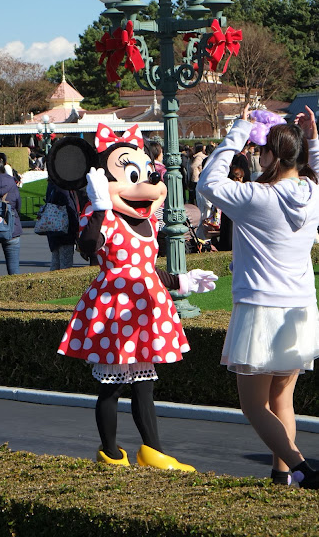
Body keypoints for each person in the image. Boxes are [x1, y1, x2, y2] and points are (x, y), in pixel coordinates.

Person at [54, 123, 217, 469]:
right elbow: (87, 247)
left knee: (144, 384)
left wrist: (182, 281)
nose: (146, 185)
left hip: (146, 309)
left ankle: (152, 451)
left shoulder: (149, 222)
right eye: (131, 176)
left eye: (146, 174)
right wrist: (100, 207)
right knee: (112, 386)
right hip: (115, 310)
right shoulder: (103, 217)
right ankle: (111, 454)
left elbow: (147, 268)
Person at [198, 104, 319, 488]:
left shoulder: (256, 197)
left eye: (260, 150)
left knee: (254, 405)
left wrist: (239, 129)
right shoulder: (312, 192)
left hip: (261, 308)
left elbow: (208, 182)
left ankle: (301, 468)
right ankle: (283, 476)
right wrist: (312, 139)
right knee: (282, 400)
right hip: (301, 308)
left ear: (271, 156)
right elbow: (315, 169)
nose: (256, 156)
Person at [45, 179, 79, 271]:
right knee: (65, 265)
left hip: (53, 229)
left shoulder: (52, 186)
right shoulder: (64, 189)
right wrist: (76, 230)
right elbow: (71, 210)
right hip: (65, 232)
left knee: (55, 263)